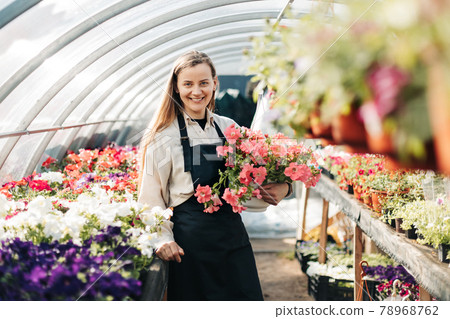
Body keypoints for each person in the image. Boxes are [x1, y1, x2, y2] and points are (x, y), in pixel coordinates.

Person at [138, 50, 291, 301]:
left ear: (215, 83)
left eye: (203, 83)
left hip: (233, 238)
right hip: (190, 246)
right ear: (176, 88)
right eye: (188, 84)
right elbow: (150, 197)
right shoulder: (162, 137)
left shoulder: (228, 127)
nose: (196, 91)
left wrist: (285, 186)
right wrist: (161, 239)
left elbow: (264, 164)